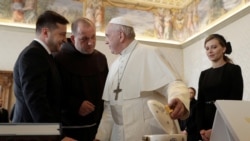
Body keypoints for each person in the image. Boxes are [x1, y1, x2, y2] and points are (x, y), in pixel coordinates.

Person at [95, 16, 190, 141]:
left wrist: (179, 98)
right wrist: (100, 137)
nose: (106, 41)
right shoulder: (114, 66)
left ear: (121, 36)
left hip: (148, 132)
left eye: (108, 36)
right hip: (118, 136)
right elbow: (109, 110)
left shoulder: (149, 52)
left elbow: (173, 83)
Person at [54, 17, 108, 141]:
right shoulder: (59, 58)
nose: (90, 43)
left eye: (93, 37)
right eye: (84, 39)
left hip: (95, 129)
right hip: (67, 130)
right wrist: (74, 105)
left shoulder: (100, 59)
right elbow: (51, 94)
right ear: (73, 39)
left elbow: (105, 92)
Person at [12, 10, 69, 123]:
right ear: (45, 33)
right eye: (62, 34)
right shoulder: (33, 55)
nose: (65, 39)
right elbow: (36, 100)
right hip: (30, 132)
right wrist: (52, 134)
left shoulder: (44, 54)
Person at [196, 34, 243, 141]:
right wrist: (201, 129)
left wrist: (216, 129)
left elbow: (235, 101)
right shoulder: (204, 74)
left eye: (214, 47)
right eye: (207, 48)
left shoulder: (233, 70)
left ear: (224, 49)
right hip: (205, 124)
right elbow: (200, 103)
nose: (210, 51)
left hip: (225, 121)